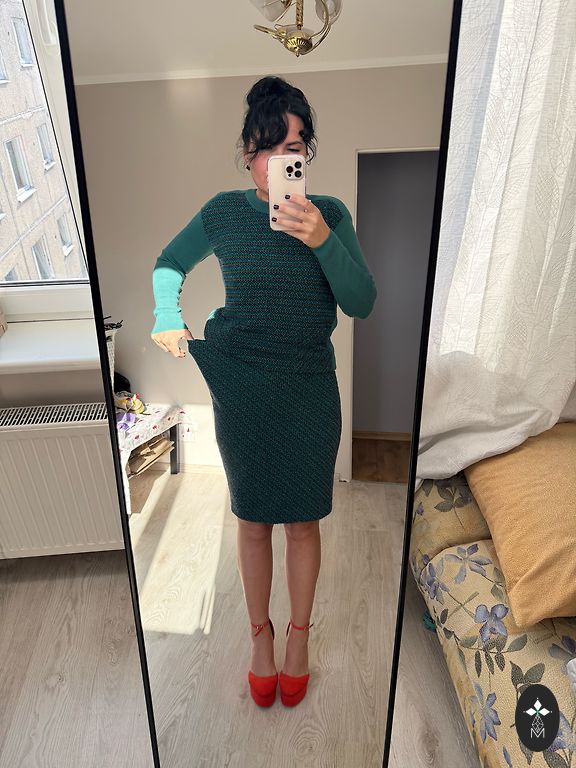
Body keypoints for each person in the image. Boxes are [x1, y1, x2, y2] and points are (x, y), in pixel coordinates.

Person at [150, 75, 377, 708]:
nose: (281, 158)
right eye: (268, 147)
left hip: (309, 390)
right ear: (248, 154)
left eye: (294, 146)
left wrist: (321, 240)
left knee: (303, 522)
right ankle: (260, 637)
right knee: (252, 521)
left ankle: (298, 636)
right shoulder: (223, 213)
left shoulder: (330, 214)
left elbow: (362, 301)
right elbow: (169, 262)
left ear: (307, 155)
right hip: (244, 389)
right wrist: (167, 312)